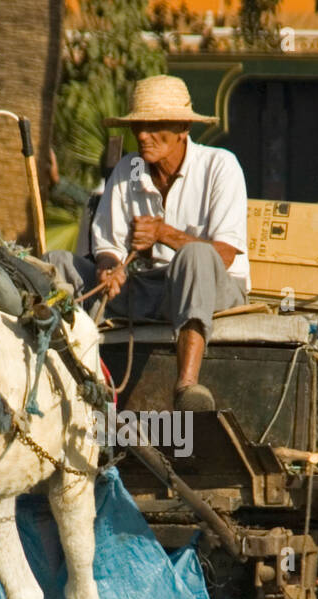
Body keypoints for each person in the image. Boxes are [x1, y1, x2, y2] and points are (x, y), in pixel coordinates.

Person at [46, 75, 249, 411]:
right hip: (149, 291)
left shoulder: (220, 166)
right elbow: (107, 246)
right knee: (57, 263)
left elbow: (224, 255)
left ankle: (186, 385)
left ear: (183, 127)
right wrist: (110, 268)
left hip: (215, 291)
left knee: (195, 256)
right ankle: (49, 375)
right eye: (138, 126)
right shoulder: (128, 169)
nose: (142, 135)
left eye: (154, 125)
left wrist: (162, 233)